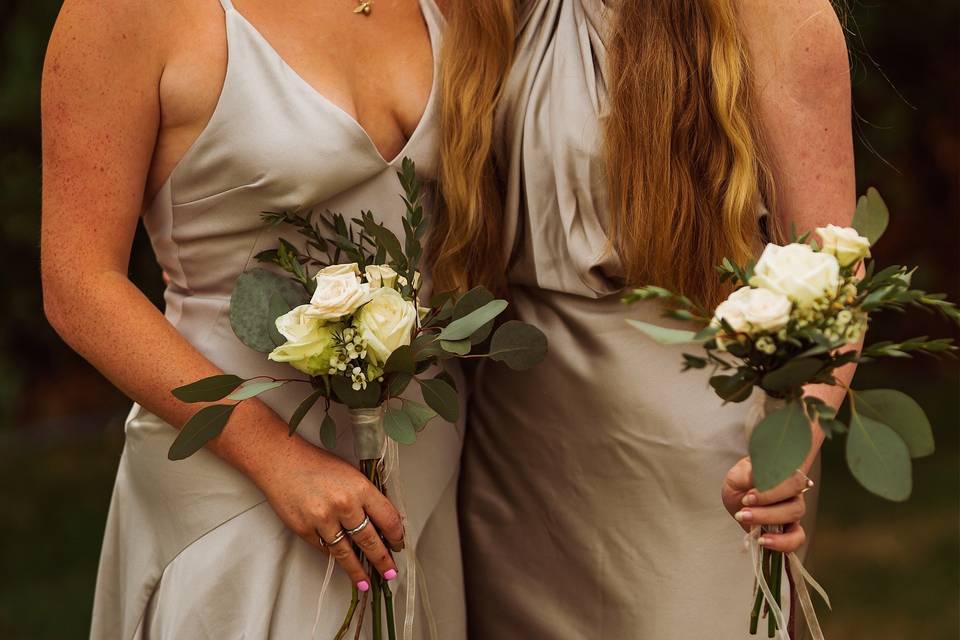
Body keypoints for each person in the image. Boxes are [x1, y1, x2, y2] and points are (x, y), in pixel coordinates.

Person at [41, 0, 465, 637]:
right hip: (236, 474)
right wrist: (275, 457)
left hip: (421, 473)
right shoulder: (123, 12)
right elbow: (78, 285)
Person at [433, 0, 855, 637]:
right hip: (514, 450)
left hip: (698, 455)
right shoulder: (487, 11)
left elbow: (834, 269)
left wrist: (792, 447)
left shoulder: (773, 12)